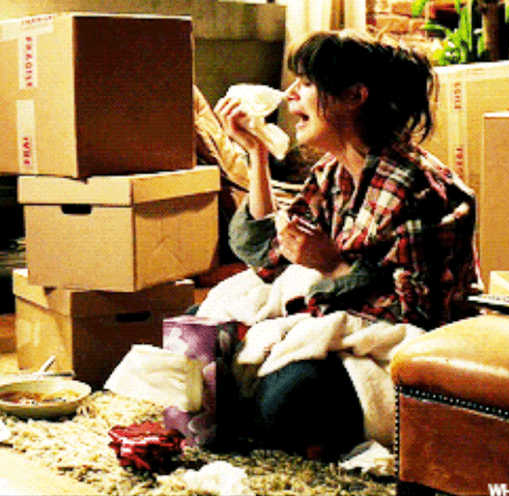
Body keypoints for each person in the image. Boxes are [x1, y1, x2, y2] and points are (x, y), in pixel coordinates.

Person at [204, 29, 482, 459]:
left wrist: (332, 266)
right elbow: (269, 256)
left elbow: (420, 320)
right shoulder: (332, 173)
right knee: (197, 331)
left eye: (306, 83)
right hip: (343, 324)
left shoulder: (416, 188)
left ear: (355, 96)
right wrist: (256, 154)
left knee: (283, 402)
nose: (290, 95)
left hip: (404, 354)